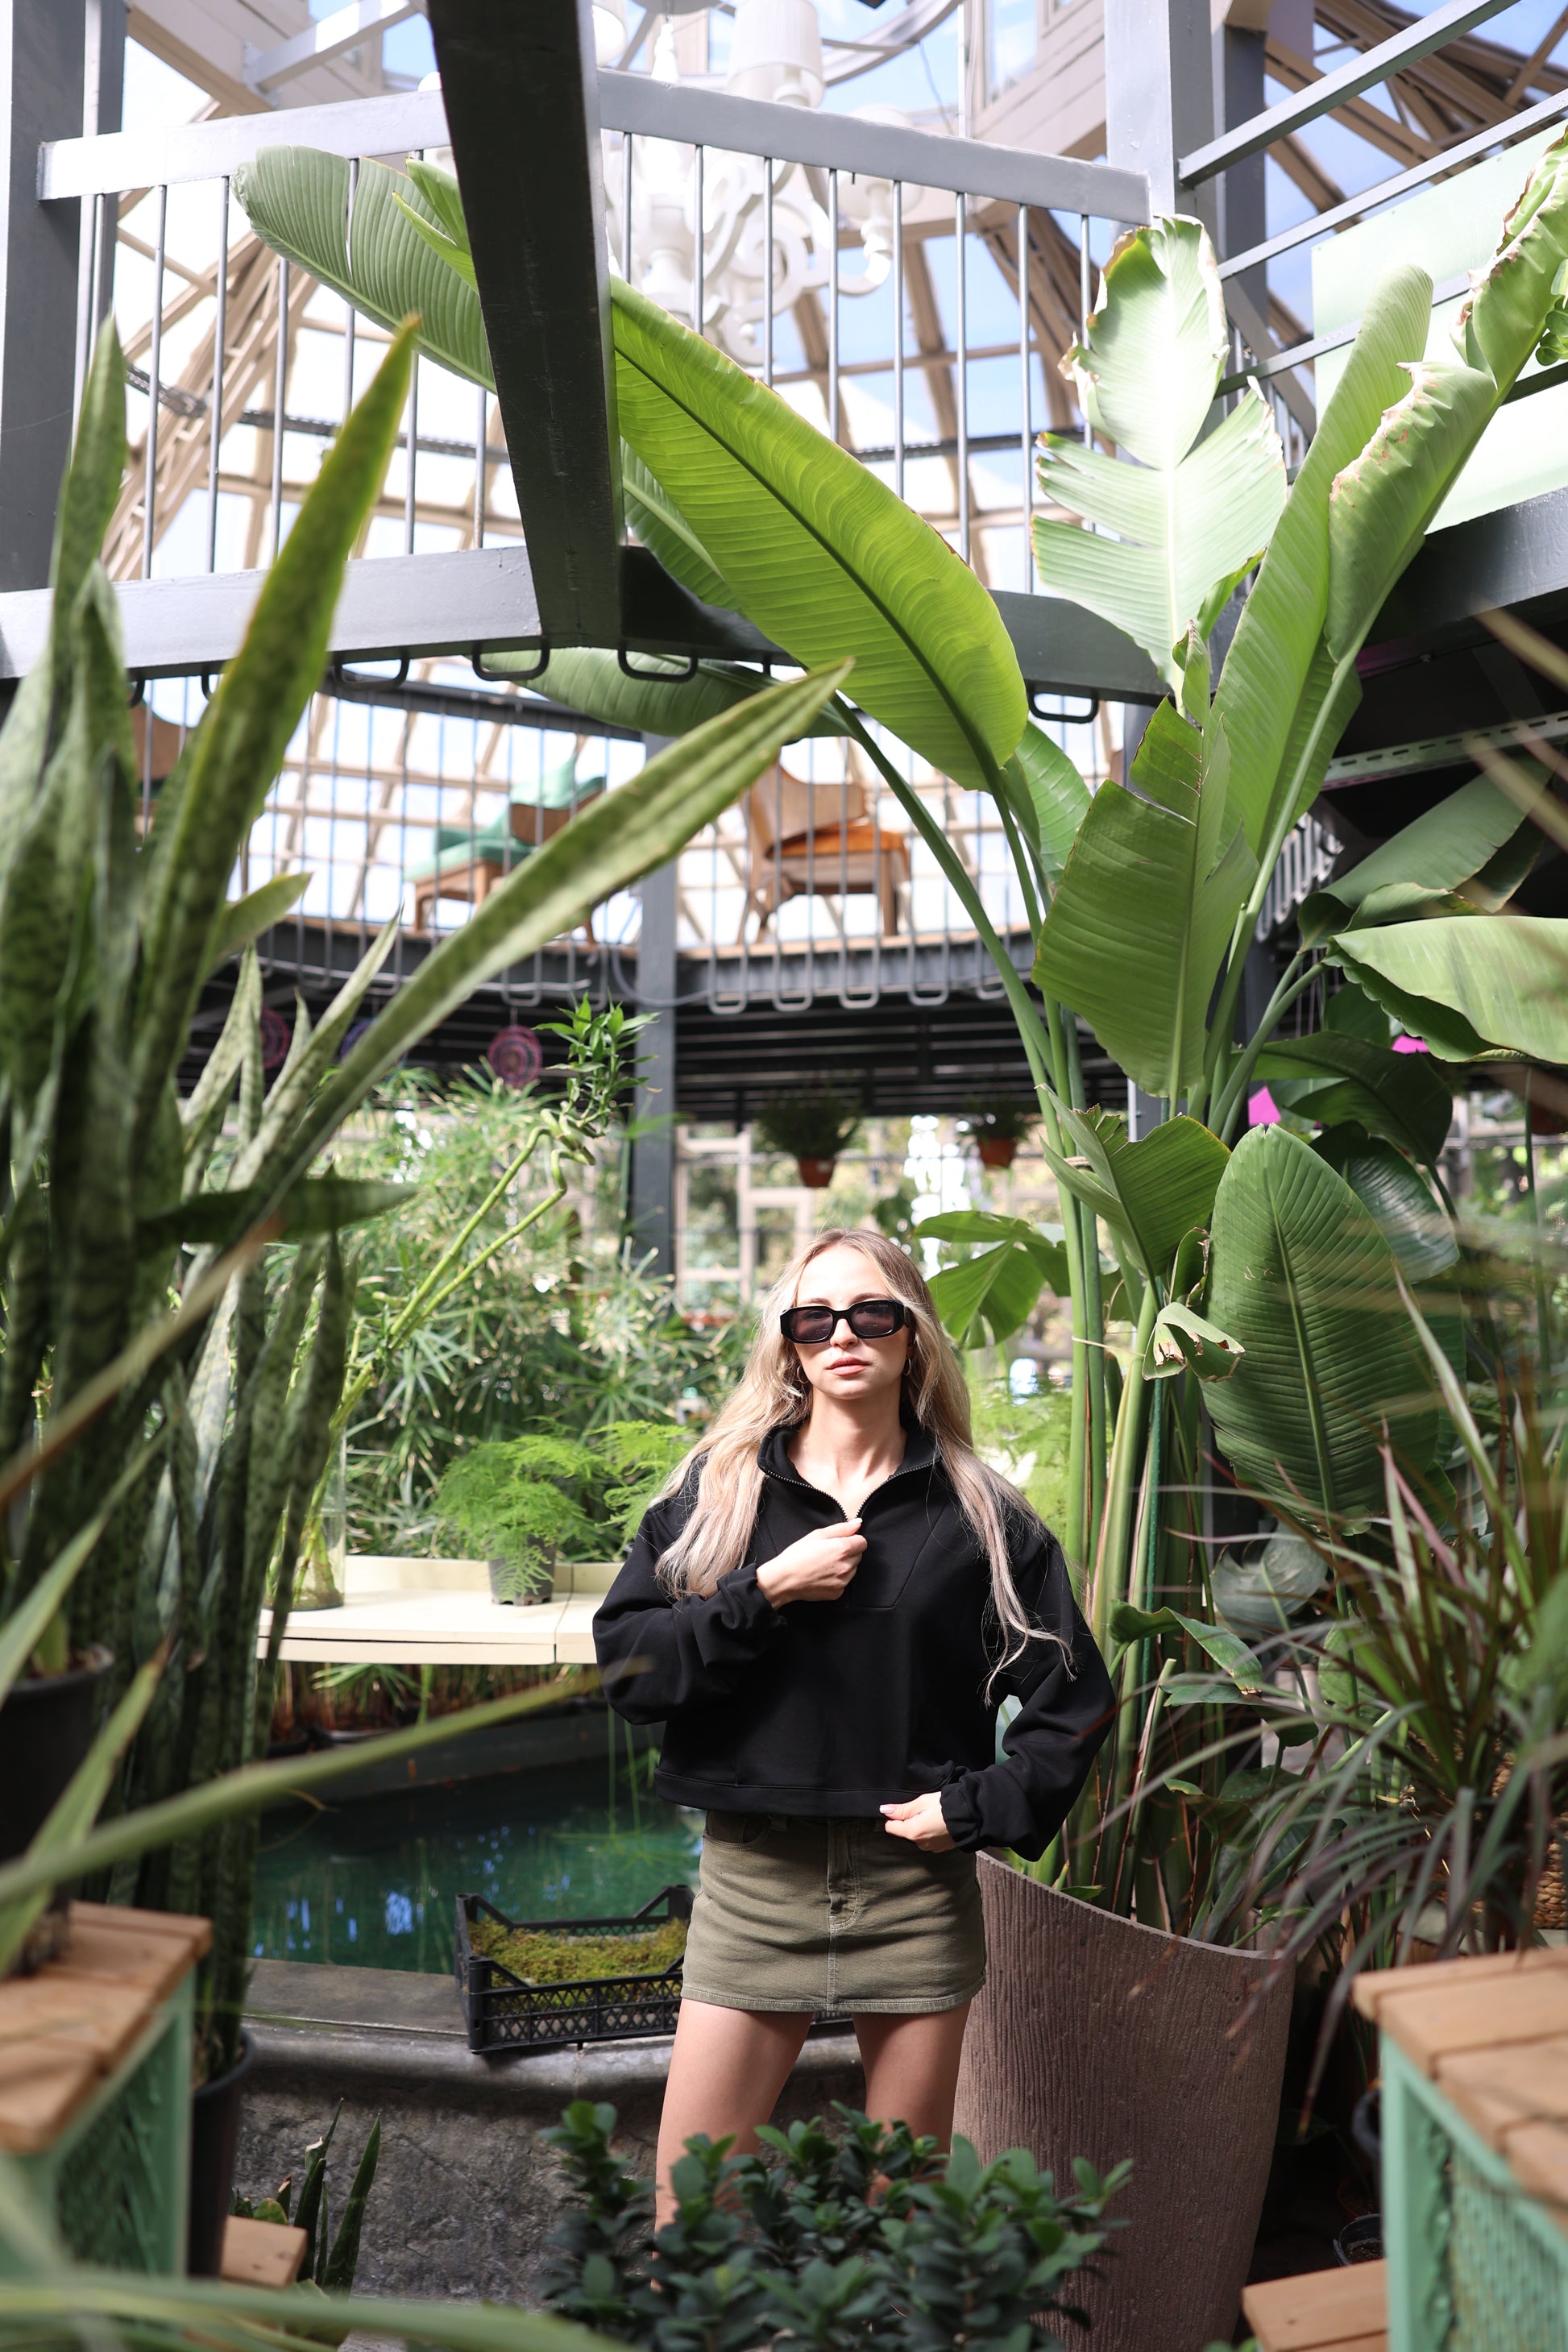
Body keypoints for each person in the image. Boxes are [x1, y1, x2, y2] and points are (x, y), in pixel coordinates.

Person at [594, 1228, 1112, 2219]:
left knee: (900, 2220)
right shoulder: (717, 1496)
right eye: (814, 1318)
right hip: (754, 1882)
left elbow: (1074, 1702)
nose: (843, 1335)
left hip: (912, 1892)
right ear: (787, 1344)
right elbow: (630, 1670)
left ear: (911, 1336)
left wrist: (975, 1809)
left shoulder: (980, 1515)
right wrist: (762, 1592)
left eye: (872, 1314)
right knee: (692, 2219)